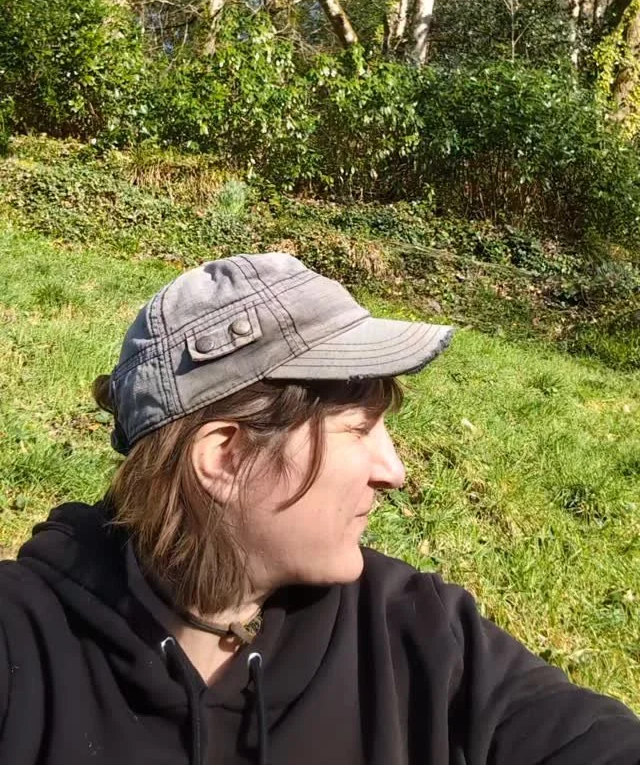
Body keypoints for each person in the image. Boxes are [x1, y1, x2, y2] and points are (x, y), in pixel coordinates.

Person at [0, 252, 638, 765]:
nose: (395, 472)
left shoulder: (416, 631)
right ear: (223, 456)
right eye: (359, 429)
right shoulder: (21, 645)